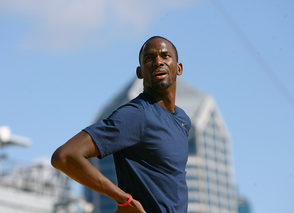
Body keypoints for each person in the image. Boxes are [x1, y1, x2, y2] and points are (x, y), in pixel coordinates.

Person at [51, 36, 191, 213]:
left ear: (178, 68)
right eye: (149, 58)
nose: (157, 62)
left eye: (165, 56)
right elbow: (64, 156)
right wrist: (124, 200)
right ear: (140, 72)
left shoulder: (183, 120)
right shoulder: (136, 114)